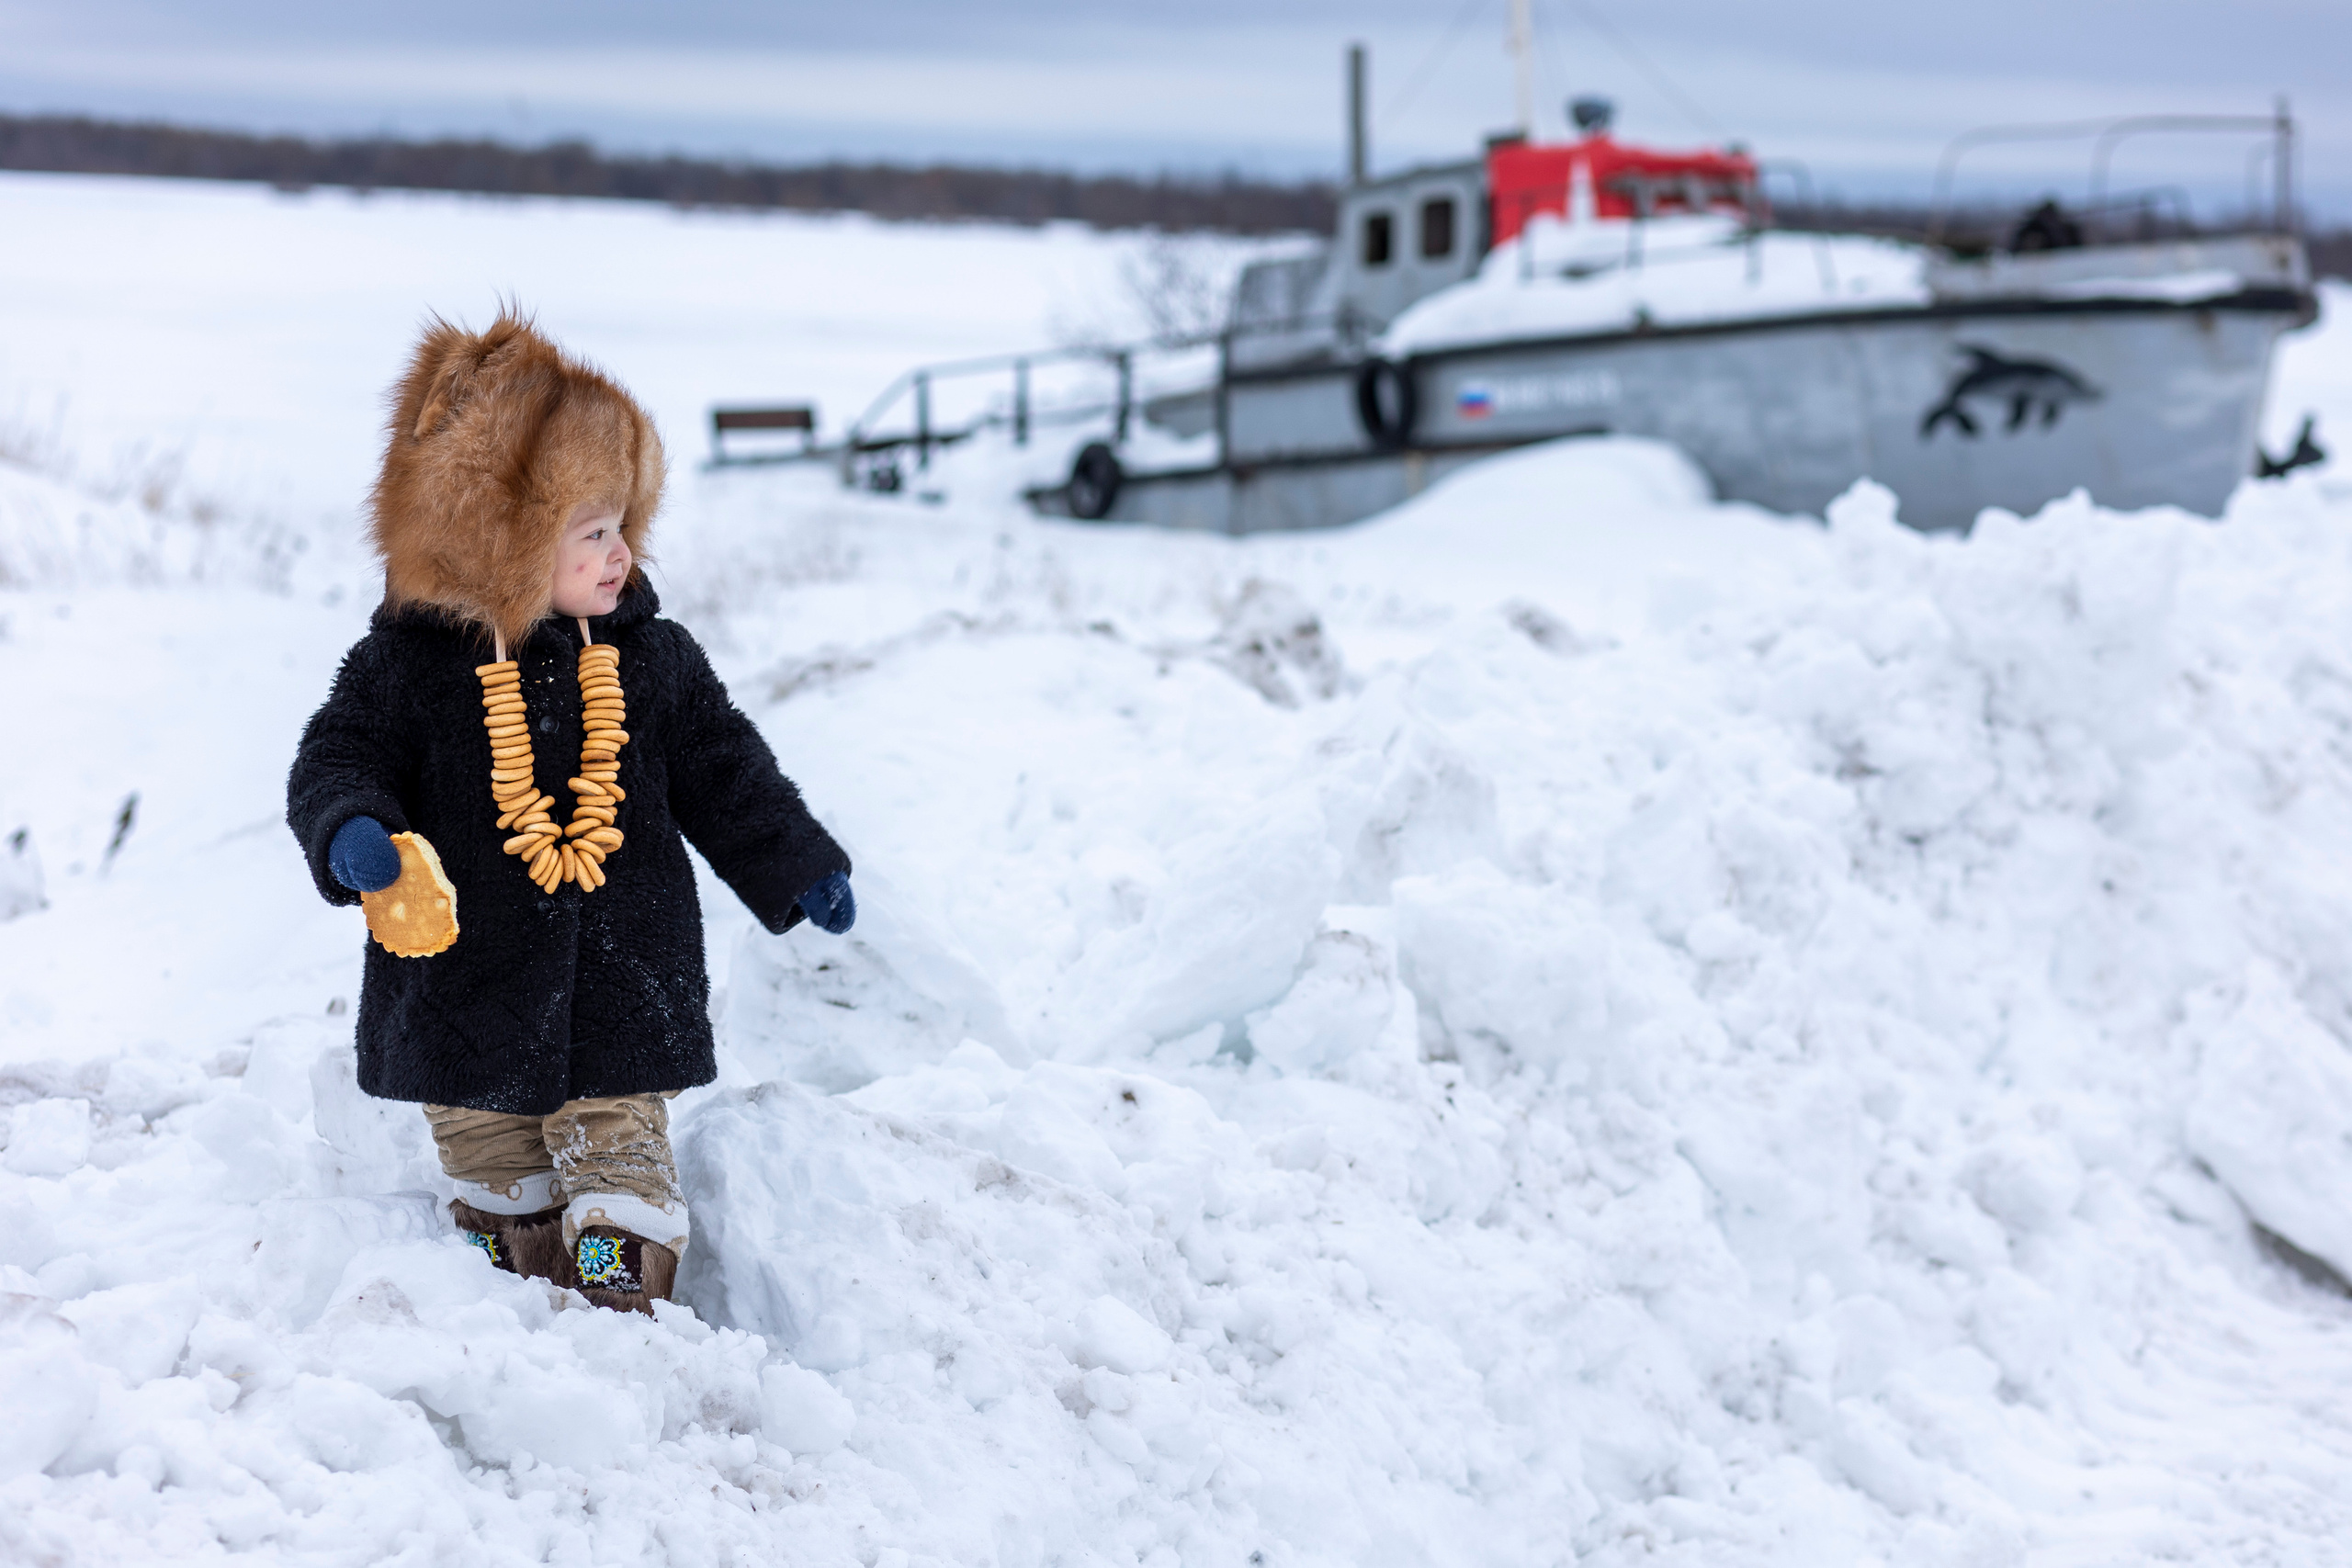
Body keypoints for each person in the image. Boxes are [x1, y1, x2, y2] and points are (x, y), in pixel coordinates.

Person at [287, 310, 854, 1314]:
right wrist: (351, 831)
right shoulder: (404, 669)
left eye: (624, 526)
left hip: (624, 982)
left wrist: (796, 861)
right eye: (591, 532)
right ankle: (516, 1297)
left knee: (618, 1162)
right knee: (494, 1171)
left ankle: (618, 1299)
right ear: (497, 542)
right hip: (462, 989)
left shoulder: (653, 659)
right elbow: (336, 757)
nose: (621, 552)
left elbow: (725, 766)